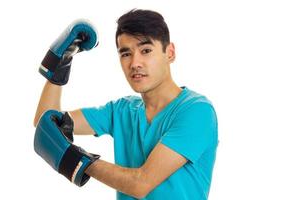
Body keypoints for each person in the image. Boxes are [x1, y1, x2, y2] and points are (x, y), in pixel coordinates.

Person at [34, 9, 218, 200]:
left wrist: (80, 162)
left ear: (169, 53)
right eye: (126, 53)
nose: (135, 63)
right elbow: (46, 123)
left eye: (146, 51)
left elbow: (141, 183)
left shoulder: (197, 111)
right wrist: (59, 65)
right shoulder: (123, 110)